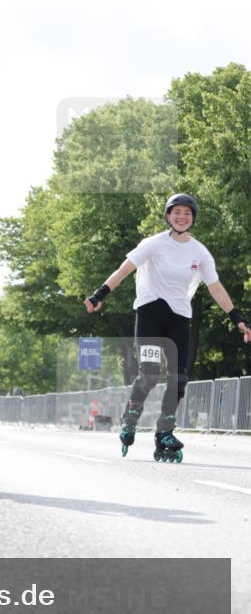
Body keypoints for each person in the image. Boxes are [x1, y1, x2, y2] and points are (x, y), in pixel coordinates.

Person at [84, 193, 251, 461]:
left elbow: (215, 287)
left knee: (179, 378)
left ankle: (165, 432)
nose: (182, 217)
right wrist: (98, 295)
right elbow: (124, 269)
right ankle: (132, 414)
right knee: (149, 373)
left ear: (193, 218)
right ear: (168, 216)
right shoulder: (153, 244)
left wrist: (237, 318)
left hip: (179, 317)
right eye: (177, 213)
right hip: (150, 312)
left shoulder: (200, 252)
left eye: (187, 213)